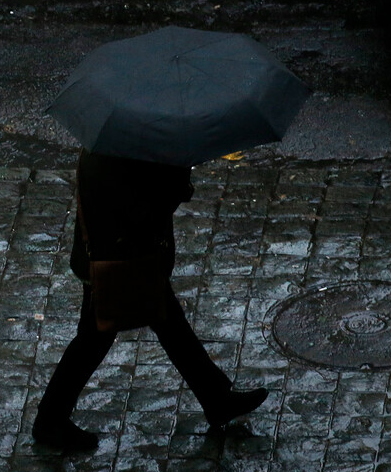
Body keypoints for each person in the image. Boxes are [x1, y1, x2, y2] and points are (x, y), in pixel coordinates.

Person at [32, 149, 268, 450]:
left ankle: (215, 398)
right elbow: (141, 208)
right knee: (97, 337)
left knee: (167, 320)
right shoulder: (121, 150)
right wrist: (177, 181)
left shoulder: (112, 139)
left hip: (118, 253)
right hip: (117, 257)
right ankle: (49, 421)